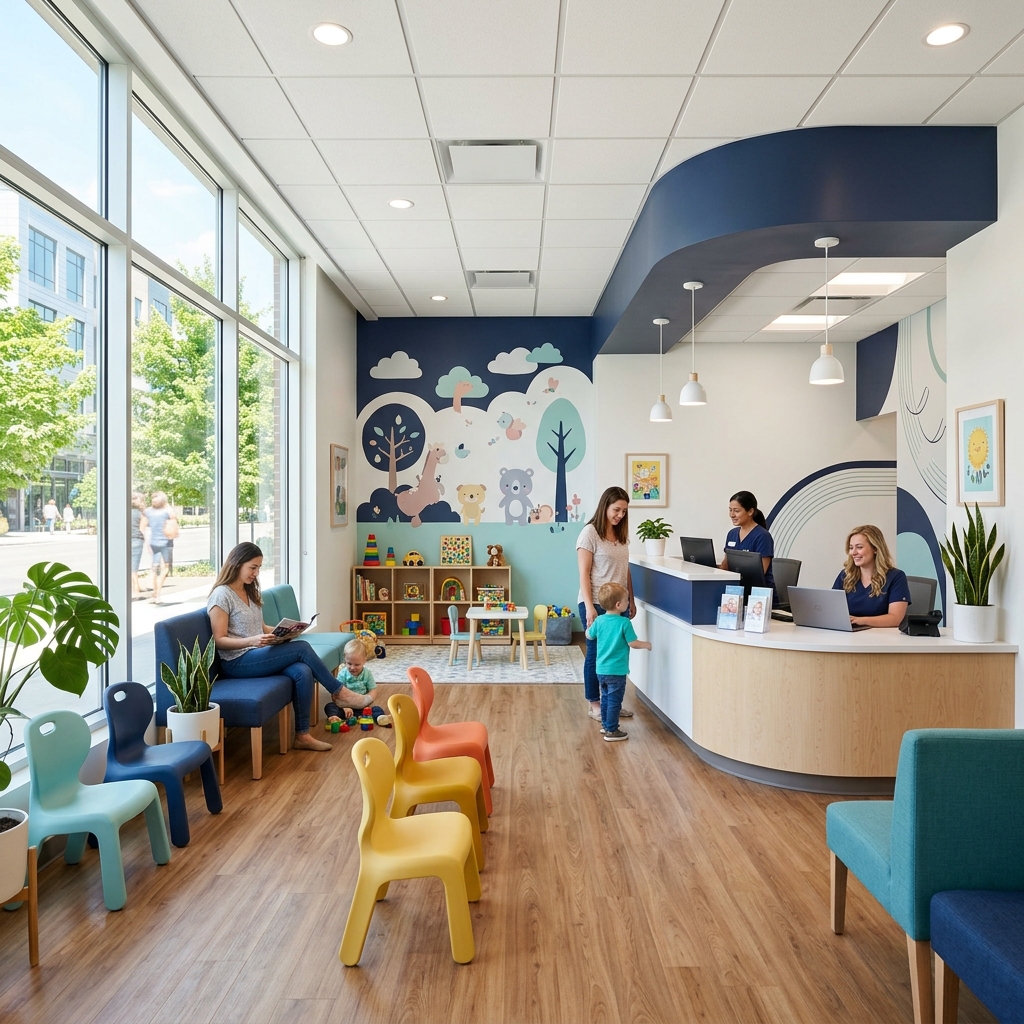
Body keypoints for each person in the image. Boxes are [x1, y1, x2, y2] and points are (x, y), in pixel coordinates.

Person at [207, 542, 333, 752]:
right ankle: (338, 691)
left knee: (302, 670)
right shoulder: (222, 595)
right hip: (236, 661)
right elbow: (219, 640)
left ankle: (302, 735)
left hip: (257, 655)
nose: (256, 573)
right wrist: (253, 641)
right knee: (301, 649)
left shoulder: (250, 591)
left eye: (258, 568)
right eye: (252, 567)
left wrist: (284, 631)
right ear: (237, 564)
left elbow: (261, 626)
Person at [577, 486, 636, 723]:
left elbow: (626, 570)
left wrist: (631, 598)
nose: (620, 515)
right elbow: (584, 573)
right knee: (596, 654)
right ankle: (595, 704)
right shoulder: (589, 533)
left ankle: (612, 703)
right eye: (616, 510)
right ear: (605, 507)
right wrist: (590, 606)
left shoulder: (621, 536)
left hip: (618, 604)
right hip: (596, 603)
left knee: (615, 655)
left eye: (624, 511)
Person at [585, 582, 651, 742]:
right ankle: (612, 731)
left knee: (606, 698)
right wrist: (646, 644)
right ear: (618, 604)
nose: (628, 603)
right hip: (617, 671)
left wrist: (590, 627)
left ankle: (607, 725)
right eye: (627, 601)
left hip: (601, 670)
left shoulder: (599, 621)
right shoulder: (624, 623)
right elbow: (632, 643)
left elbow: (588, 635)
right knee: (615, 700)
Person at [832, 525, 910, 628]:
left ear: (875, 549)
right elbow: (832, 611)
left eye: (859, 547)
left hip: (881, 639)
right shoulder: (845, 575)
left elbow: (895, 619)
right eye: (851, 548)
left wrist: (860, 620)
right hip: (849, 636)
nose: (853, 553)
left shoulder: (896, 577)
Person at [719, 490, 776, 596]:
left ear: (750, 512)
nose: (732, 515)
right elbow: (725, 565)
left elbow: (758, 574)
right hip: (737, 591)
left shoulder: (762, 536)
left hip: (758, 596)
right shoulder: (732, 534)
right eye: (730, 510)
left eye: (736, 511)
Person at [323, 638, 390, 727]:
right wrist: (344, 707)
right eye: (349, 664)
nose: (352, 667)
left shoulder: (367, 674)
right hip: (345, 708)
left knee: (376, 709)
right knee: (329, 706)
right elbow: (335, 693)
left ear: (364, 661)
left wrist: (368, 699)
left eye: (357, 664)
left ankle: (380, 718)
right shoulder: (343, 674)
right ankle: (334, 717)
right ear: (345, 660)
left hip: (362, 708)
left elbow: (373, 690)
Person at [144, 491, 178, 605]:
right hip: (166, 542)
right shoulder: (167, 512)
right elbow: (174, 520)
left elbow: (143, 527)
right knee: (166, 568)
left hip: (153, 542)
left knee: (154, 568)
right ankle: (158, 594)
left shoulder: (147, 512)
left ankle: (154, 594)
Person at [130, 492, 148, 598]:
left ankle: (136, 586)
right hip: (137, 540)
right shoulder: (142, 514)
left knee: (128, 566)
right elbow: (142, 529)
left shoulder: (125, 512)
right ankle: (136, 588)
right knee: (134, 567)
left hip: (127, 540)